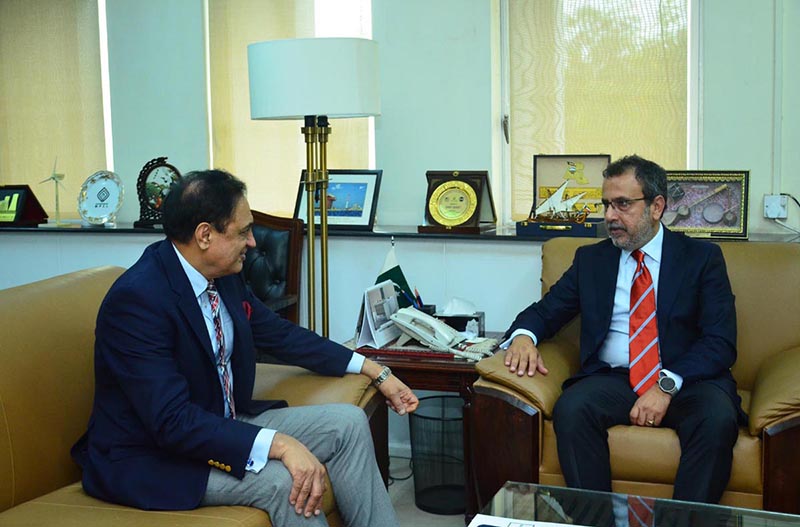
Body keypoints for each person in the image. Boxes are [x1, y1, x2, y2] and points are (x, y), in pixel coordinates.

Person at [71, 169, 419, 526]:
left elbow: (281, 334)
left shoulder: (223, 275)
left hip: (221, 422)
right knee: (284, 480)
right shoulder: (137, 301)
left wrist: (373, 369)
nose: (252, 243)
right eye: (243, 232)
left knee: (348, 423)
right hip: (153, 456)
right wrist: (280, 444)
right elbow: (172, 422)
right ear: (205, 235)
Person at [502, 154, 744, 504]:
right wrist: (524, 337)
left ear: (656, 206)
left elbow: (720, 341)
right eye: (606, 204)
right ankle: (595, 518)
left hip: (688, 380)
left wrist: (666, 385)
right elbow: (546, 311)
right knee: (572, 409)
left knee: (716, 419)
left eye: (622, 204)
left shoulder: (702, 258)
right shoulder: (591, 260)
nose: (610, 216)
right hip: (616, 378)